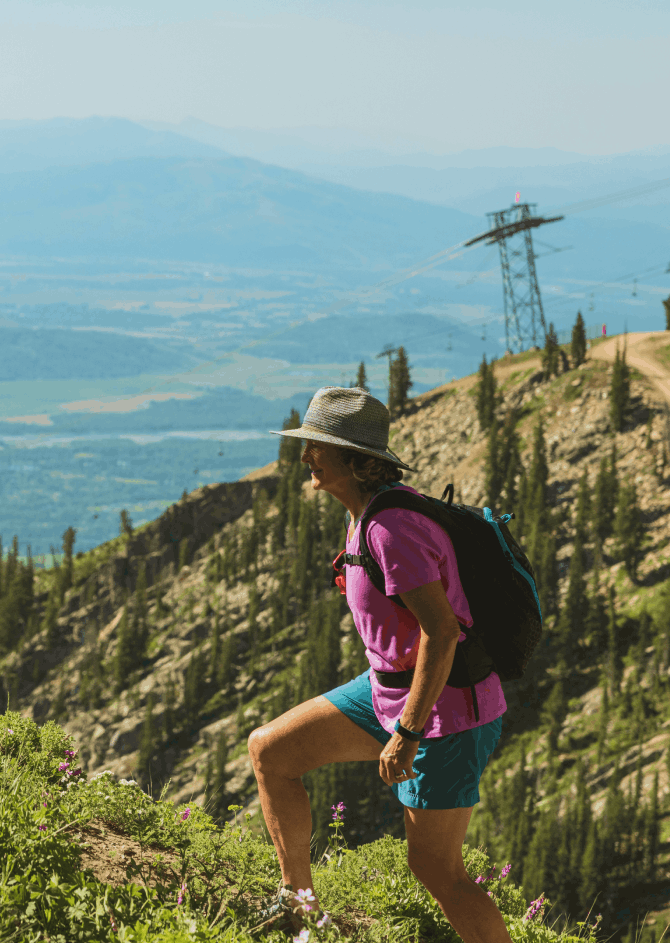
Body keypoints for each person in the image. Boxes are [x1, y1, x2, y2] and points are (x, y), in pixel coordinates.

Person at [247, 387, 511, 943]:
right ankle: (300, 908)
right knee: (271, 750)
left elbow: (443, 632)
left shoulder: (391, 530)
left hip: (444, 711)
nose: (305, 457)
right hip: (389, 689)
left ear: (355, 460)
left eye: (317, 445)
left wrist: (408, 733)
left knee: (437, 870)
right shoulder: (368, 515)